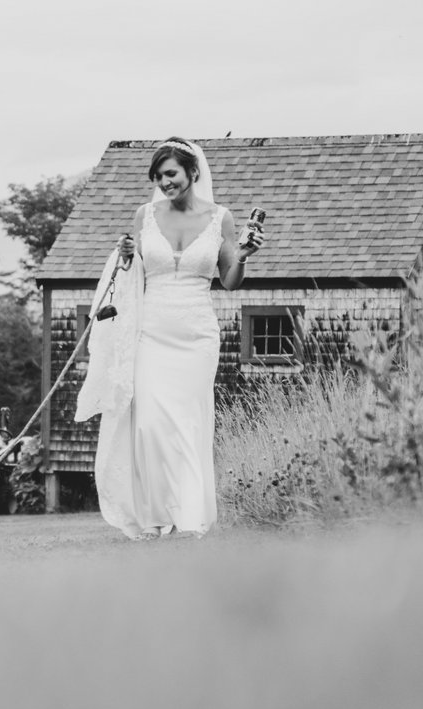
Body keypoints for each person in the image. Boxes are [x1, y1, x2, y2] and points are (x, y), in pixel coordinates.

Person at [74, 137, 265, 539]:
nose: (165, 182)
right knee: (150, 424)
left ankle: (190, 514)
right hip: (151, 331)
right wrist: (126, 255)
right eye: (159, 176)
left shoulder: (221, 218)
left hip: (196, 334)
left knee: (188, 422)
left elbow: (229, 281)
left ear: (193, 173)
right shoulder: (144, 215)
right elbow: (131, 271)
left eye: (172, 174)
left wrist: (243, 257)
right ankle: (157, 514)